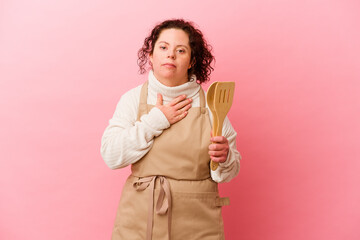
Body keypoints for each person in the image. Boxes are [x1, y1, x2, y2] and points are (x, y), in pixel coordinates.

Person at [100, 19, 241, 240]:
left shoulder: (213, 106)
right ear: (151, 55)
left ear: (192, 61)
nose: (170, 55)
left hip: (198, 222)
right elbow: (111, 156)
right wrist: (155, 120)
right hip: (140, 219)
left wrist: (224, 158)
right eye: (163, 47)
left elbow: (228, 173)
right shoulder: (133, 99)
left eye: (181, 50)